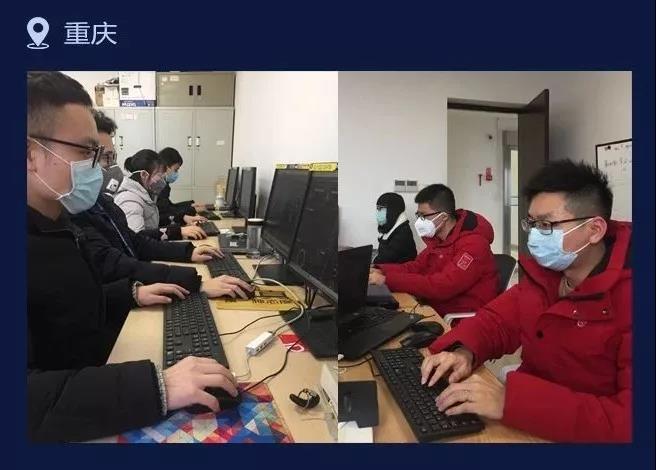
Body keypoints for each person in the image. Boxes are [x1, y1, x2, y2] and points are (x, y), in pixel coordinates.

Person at [27, 71, 238, 442]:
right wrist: (158, 386)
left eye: (103, 155)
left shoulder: (60, 223)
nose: (100, 167)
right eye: (87, 152)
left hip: (96, 385)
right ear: (29, 155)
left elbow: (62, 310)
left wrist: (131, 293)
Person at [421, 160, 631, 443]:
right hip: (527, 423)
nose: (534, 235)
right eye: (532, 223)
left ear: (594, 230)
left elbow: (628, 422)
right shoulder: (546, 275)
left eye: (546, 225)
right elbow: (497, 321)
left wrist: (511, 402)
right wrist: (463, 352)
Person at [72, 111, 254, 299]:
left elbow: (135, 242)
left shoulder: (101, 203)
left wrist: (188, 252)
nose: (108, 167)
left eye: (111, 157)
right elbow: (114, 264)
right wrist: (195, 283)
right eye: (98, 155)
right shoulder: (120, 201)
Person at [369, 184, 498, 314]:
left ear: (443, 217)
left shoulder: (474, 245)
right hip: (433, 308)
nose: (419, 221)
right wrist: (380, 270)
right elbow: (415, 267)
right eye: (418, 215)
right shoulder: (439, 240)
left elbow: (442, 286)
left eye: (424, 216)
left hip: (457, 318)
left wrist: (387, 280)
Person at [114, 150, 207, 241]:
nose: (161, 180)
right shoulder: (130, 200)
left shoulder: (146, 194)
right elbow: (137, 239)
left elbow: (154, 224)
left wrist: (181, 222)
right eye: (159, 175)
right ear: (144, 175)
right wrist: (178, 232)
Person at [157, 147, 209, 224]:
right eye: (176, 170)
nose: (176, 173)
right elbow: (164, 215)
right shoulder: (157, 187)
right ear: (166, 167)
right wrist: (191, 210)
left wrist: (191, 205)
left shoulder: (164, 185)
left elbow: (170, 207)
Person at [373, 192, 417, 264]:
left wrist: (371, 261)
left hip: (397, 270)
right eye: (377, 208)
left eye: (380, 209)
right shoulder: (392, 227)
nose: (378, 212)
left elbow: (384, 261)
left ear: (393, 210)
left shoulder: (402, 233)